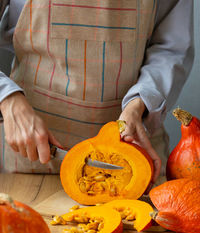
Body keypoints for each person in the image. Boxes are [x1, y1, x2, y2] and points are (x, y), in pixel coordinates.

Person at [0, 0, 194, 185]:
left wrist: (139, 104)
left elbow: (171, 49)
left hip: (133, 151)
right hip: (31, 156)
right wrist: (8, 99)